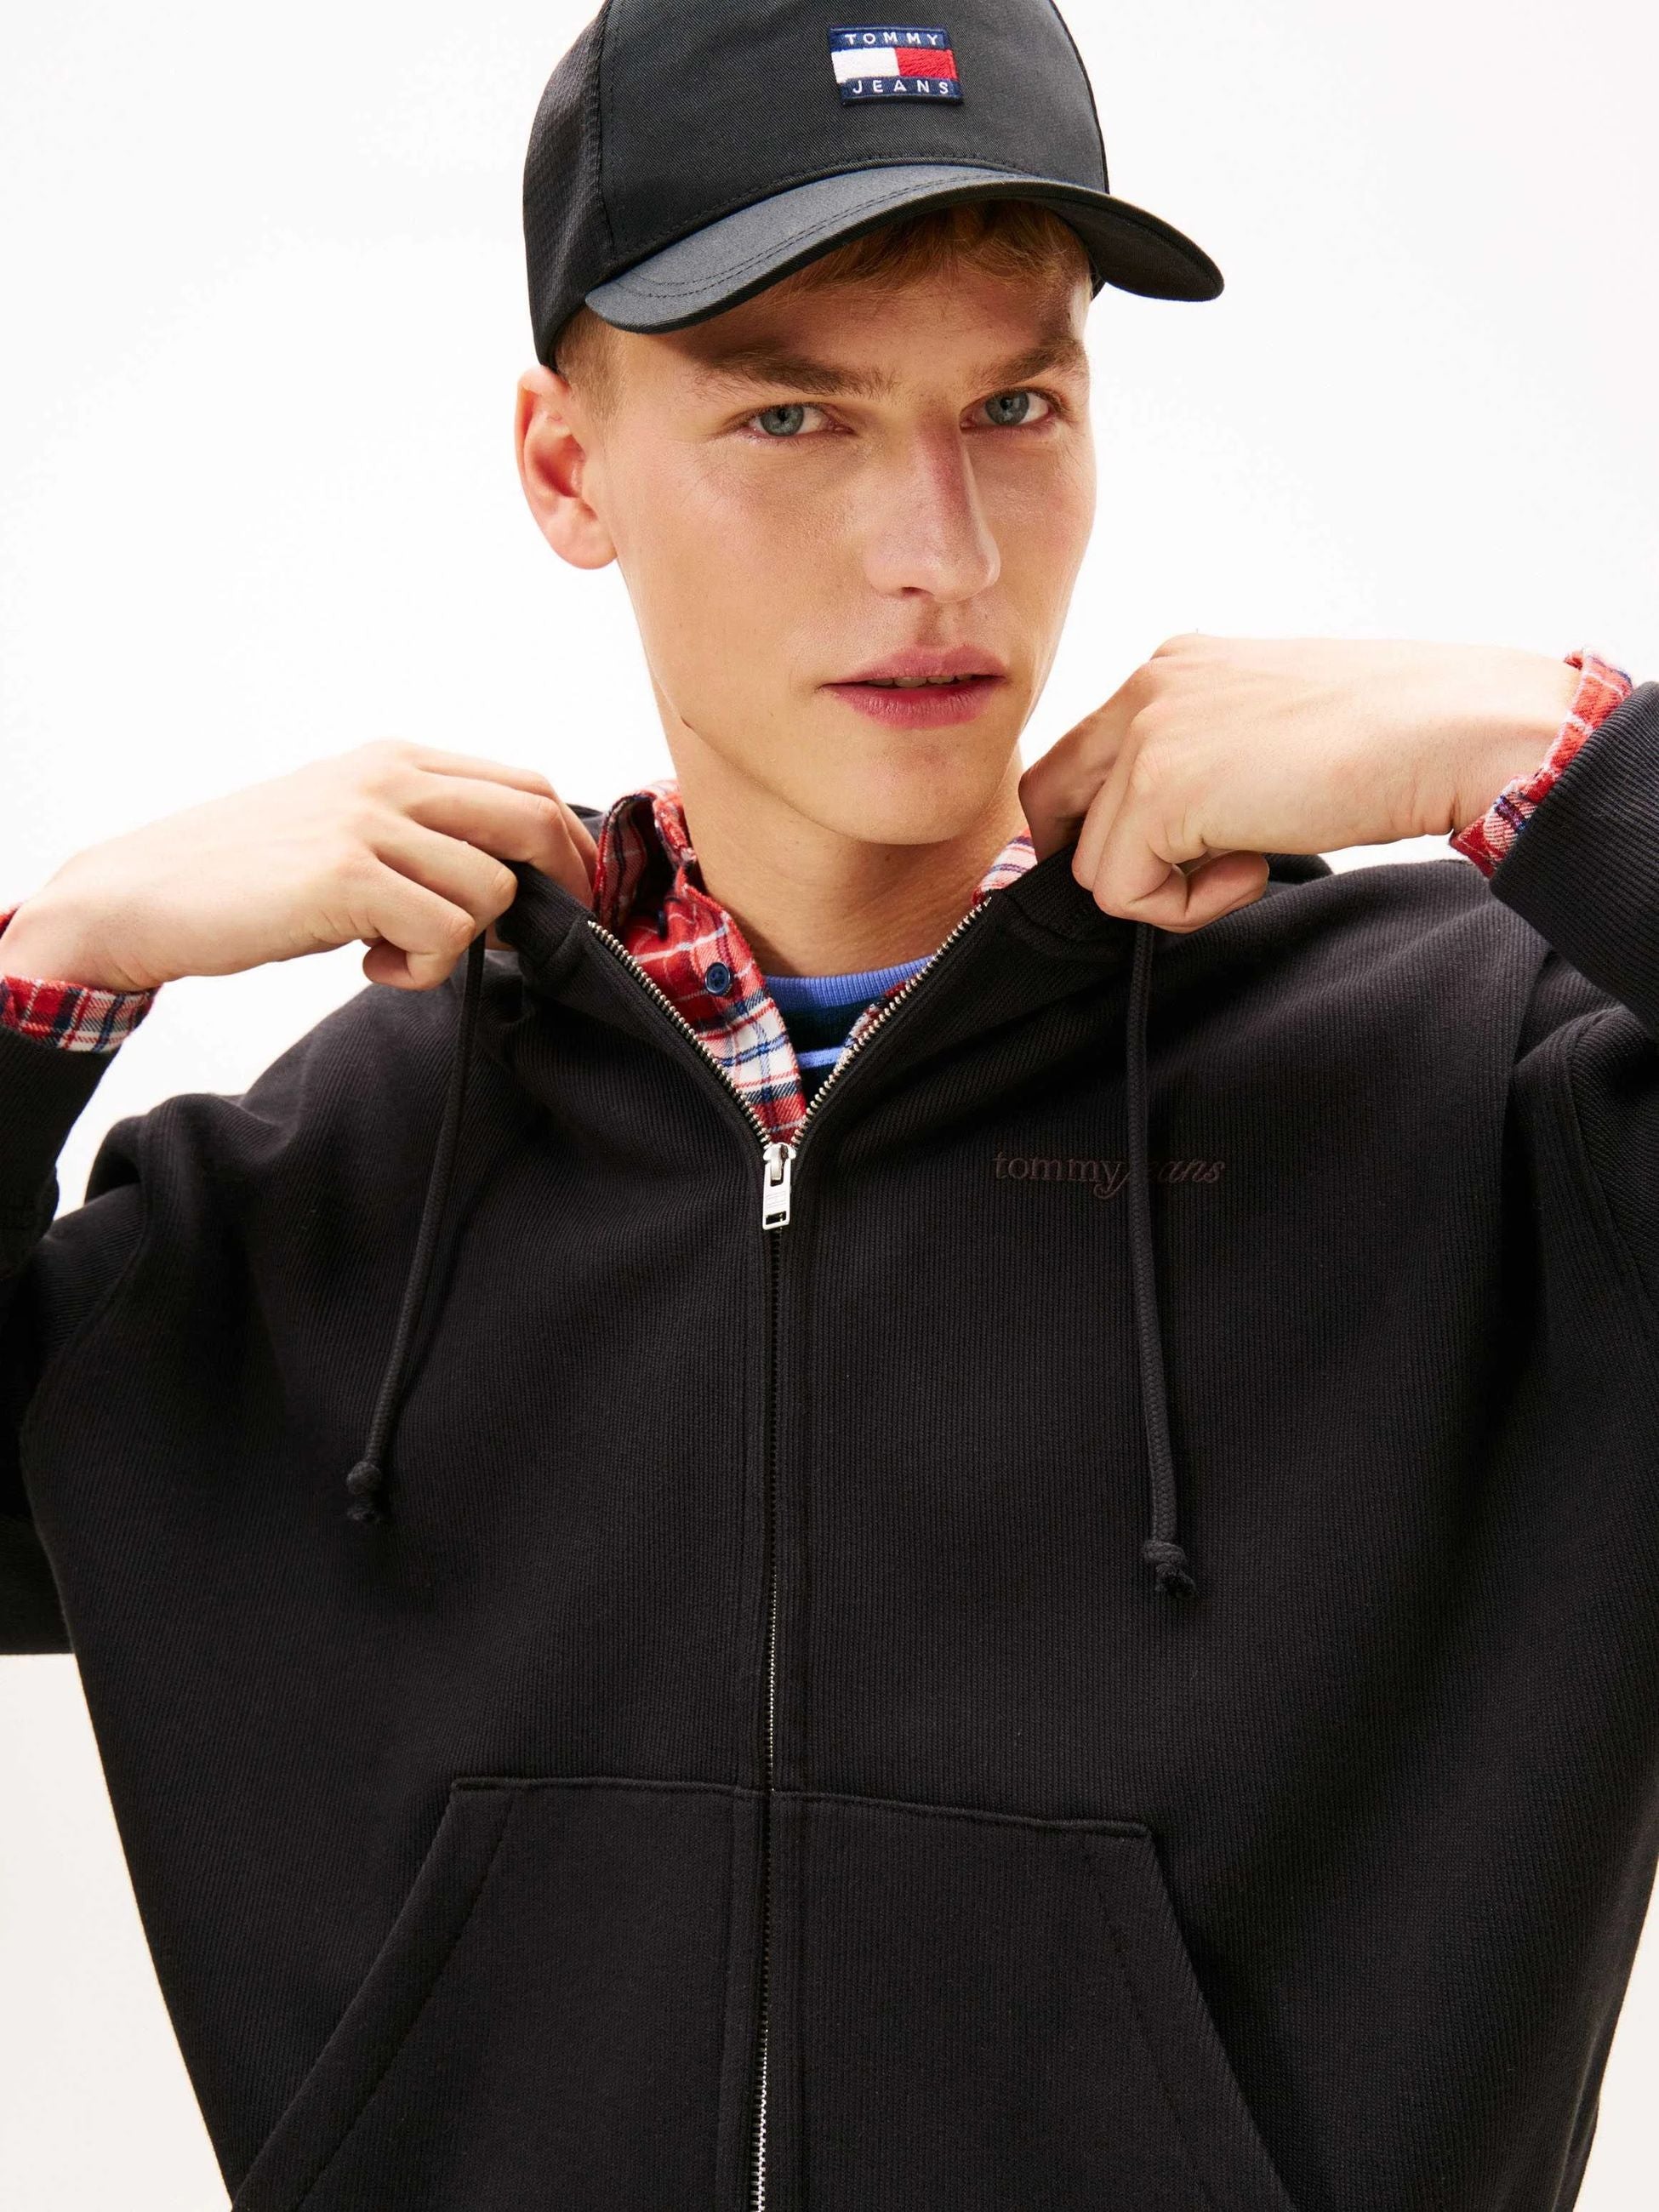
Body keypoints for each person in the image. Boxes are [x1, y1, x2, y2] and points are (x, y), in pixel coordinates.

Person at [1, 2, 1651, 2206]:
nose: (938, 554)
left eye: (1014, 406)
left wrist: (1556, 755)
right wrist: (43, 980)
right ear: (566, 466)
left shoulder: (1488, 1103)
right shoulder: (316, 1195)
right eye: (793, 413)